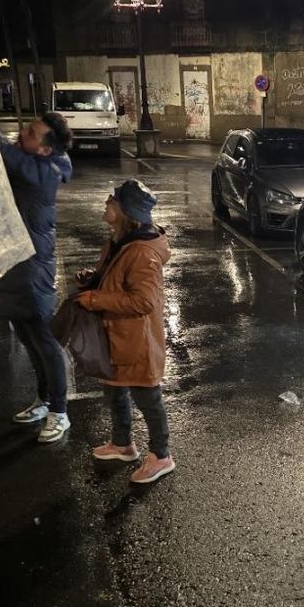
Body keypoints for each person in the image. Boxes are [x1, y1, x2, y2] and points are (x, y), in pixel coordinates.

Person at [0, 65, 75, 444]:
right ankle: (44, 400)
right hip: (19, 265)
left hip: (34, 270)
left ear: (45, 148)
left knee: (43, 338)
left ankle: (59, 410)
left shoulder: (41, 172)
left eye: (30, 133)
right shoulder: (39, 163)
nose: (22, 133)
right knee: (27, 335)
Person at [74, 180, 175, 484]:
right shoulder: (119, 241)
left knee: (147, 396)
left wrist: (96, 299)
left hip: (135, 340)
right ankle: (122, 444)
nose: (106, 204)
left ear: (124, 211)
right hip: (116, 336)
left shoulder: (142, 252)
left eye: (111, 201)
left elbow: (143, 301)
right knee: (114, 389)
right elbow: (116, 278)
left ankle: (161, 455)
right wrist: (95, 278)